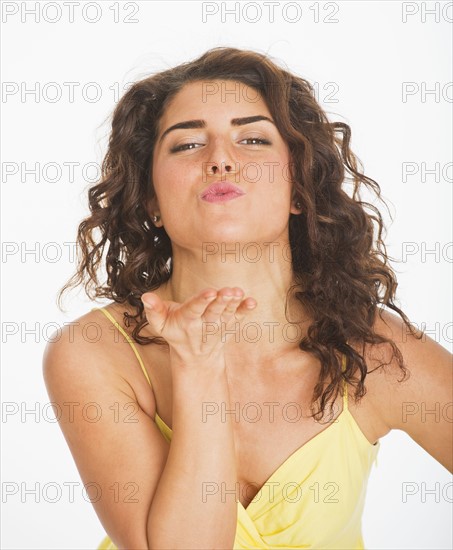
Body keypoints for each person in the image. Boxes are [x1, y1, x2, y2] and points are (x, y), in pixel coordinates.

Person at [42, 47, 452, 550]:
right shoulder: (92, 351)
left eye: (253, 138)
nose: (220, 159)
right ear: (150, 199)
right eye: (188, 144)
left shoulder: (374, 348)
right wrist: (198, 364)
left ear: (300, 188)